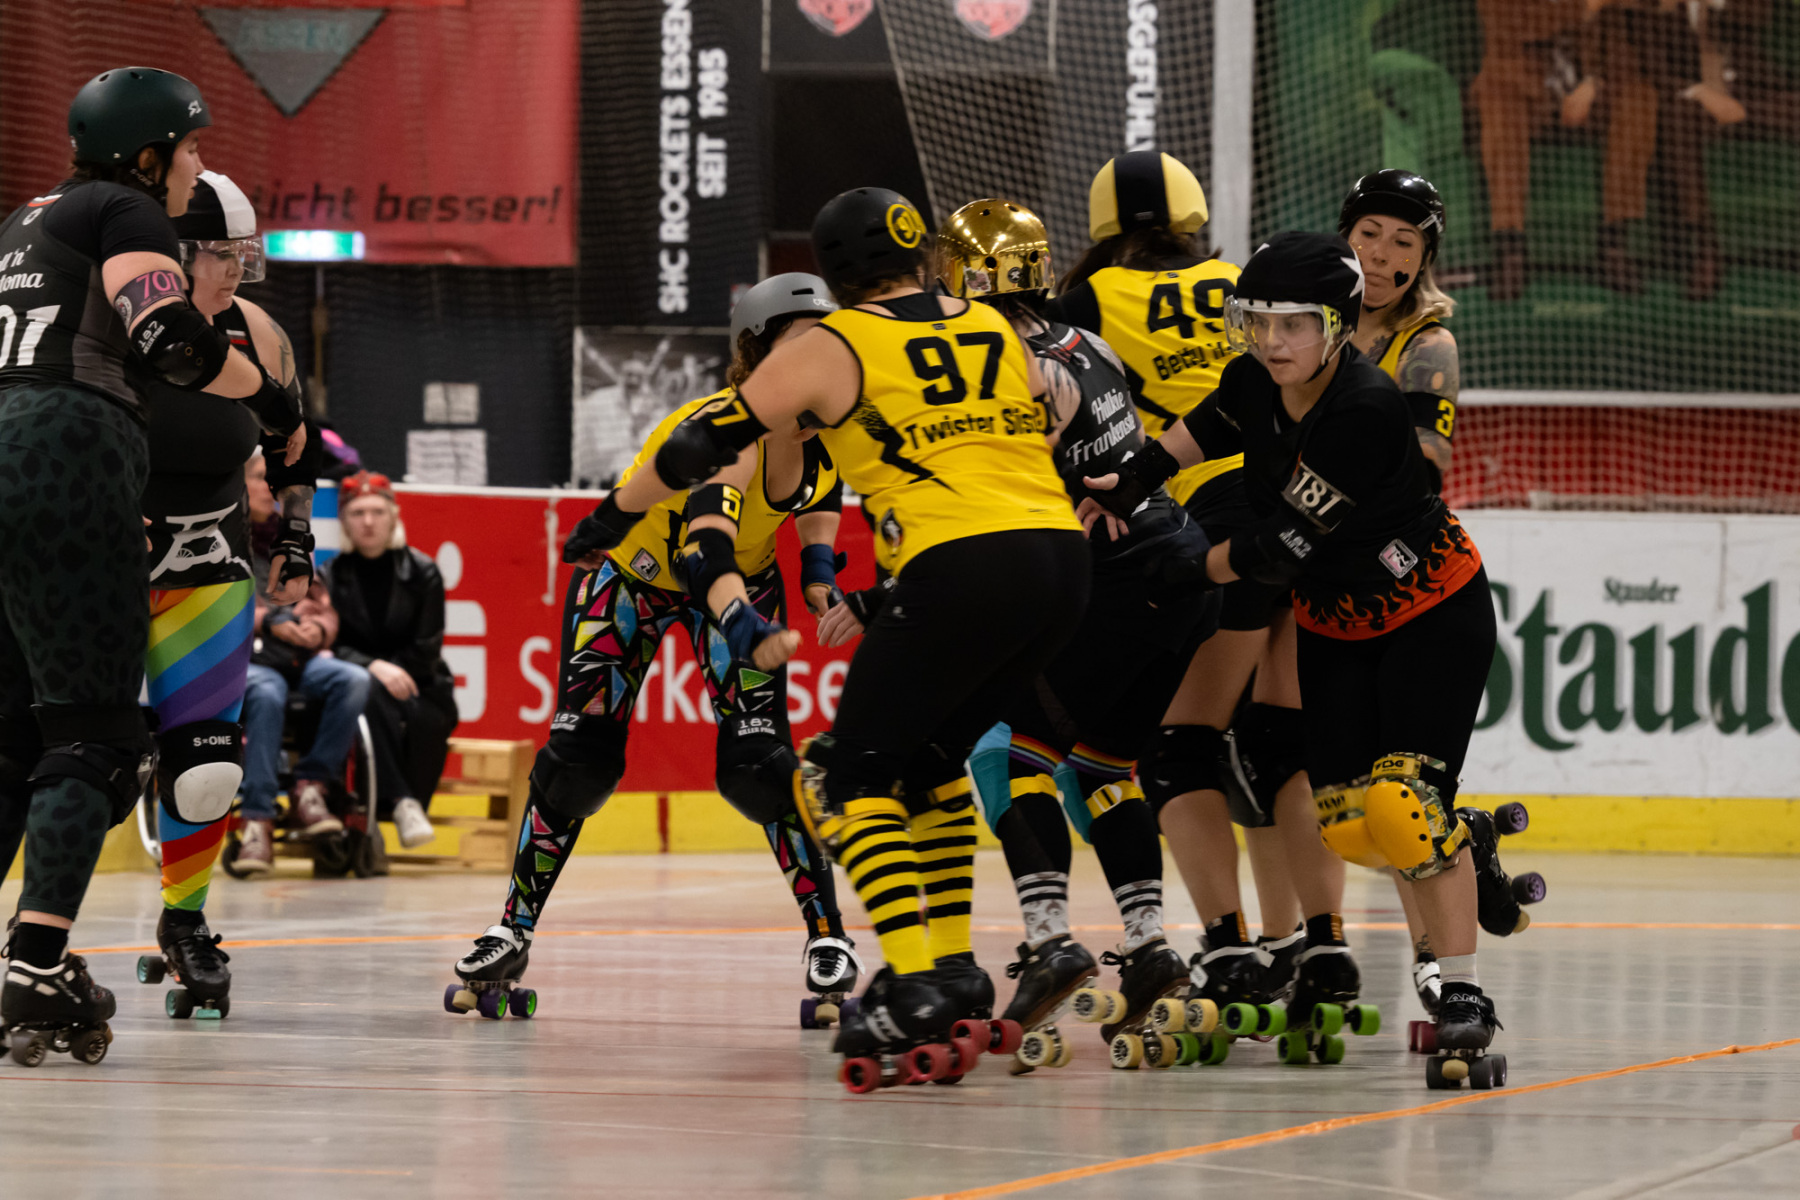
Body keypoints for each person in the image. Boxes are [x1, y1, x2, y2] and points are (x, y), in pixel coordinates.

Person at [568, 188, 1090, 1081]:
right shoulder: (992, 326)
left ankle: (912, 986)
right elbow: (1047, 418)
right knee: (930, 763)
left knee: (842, 775)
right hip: (1059, 562)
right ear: (919, 254)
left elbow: (698, 446)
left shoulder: (834, 343)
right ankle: (955, 970)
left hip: (959, 561)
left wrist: (611, 516)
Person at [1084, 231, 1505, 1083]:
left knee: (1405, 805)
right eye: (1257, 321)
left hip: (1431, 612)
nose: (1272, 342)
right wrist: (1119, 485)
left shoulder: (1364, 409)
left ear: (1338, 326)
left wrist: (1185, 568)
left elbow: (1279, 548)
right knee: (1347, 825)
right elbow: (1190, 436)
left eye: (1294, 325)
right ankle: (1470, 839)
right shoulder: (1255, 379)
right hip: (1336, 623)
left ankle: (1463, 996)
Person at [448, 273, 864, 1026]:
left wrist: (818, 571)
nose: (822, 364)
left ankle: (828, 935)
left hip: (742, 580)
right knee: (578, 763)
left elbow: (820, 495)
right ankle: (511, 928)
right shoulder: (723, 434)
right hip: (635, 579)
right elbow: (704, 556)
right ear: (758, 356)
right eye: (804, 347)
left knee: (760, 766)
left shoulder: (824, 424)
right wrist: (742, 626)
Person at [0, 66, 304, 1062]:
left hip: (22, 456)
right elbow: (170, 339)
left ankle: (162, 921)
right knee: (96, 735)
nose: (197, 164)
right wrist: (269, 399)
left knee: (14, 733)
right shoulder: (124, 210)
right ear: (147, 155)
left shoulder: (22, 224)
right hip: (71, 453)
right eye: (192, 146)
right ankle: (36, 963)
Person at [928, 197, 1218, 1068]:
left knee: (1006, 755)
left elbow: (1006, 499)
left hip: (1120, 584)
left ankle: (1051, 937)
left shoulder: (1001, 364)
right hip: (1182, 572)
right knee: (1100, 767)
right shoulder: (1086, 342)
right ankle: (1150, 944)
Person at [1050, 152, 1320, 1032]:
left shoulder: (1091, 299)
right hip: (1303, 514)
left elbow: (1056, 399)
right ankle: (1302, 944)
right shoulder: (1239, 281)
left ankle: (1229, 951)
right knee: (1274, 748)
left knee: (1177, 751)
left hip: (1207, 528)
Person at [138, 169, 321, 1011]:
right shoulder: (107, 326)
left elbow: (293, 442)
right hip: (102, 563)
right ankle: (42, 938)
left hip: (209, 567)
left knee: (208, 764)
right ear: (171, 257)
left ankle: (185, 919)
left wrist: (296, 534)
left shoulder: (256, 331)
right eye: (220, 253)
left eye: (244, 254)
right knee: (84, 758)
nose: (237, 271)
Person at [236, 454, 370, 874]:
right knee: (267, 691)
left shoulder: (291, 539)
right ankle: (257, 819)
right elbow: (215, 609)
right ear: (240, 485)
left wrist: (316, 628)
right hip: (243, 659)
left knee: (352, 679)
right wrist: (268, 621)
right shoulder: (224, 541)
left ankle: (310, 785)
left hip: (296, 655)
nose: (271, 489)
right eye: (262, 479)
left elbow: (319, 602)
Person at [326, 472, 458, 851]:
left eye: (377, 512)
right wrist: (373, 666)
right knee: (364, 693)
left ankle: (401, 803)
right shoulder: (330, 576)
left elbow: (427, 646)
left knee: (415, 717)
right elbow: (329, 645)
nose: (368, 522)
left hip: (421, 682)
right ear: (344, 521)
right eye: (358, 513)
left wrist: (389, 671)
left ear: (393, 517)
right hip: (360, 683)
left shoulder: (422, 571)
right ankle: (402, 802)